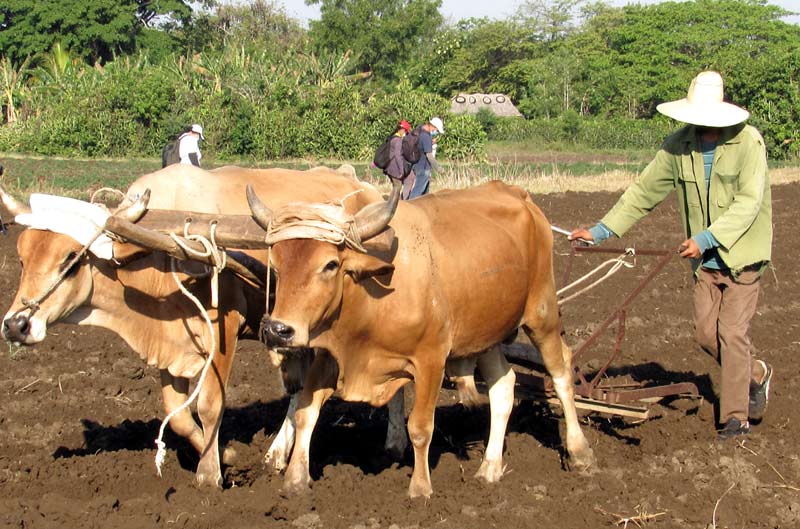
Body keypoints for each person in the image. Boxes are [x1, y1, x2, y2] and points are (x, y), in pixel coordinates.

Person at [569, 71, 773, 441]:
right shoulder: (678, 145)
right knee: (705, 335)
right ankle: (755, 373)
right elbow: (643, 193)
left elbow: (748, 203)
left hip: (742, 255)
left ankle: (735, 418)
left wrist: (707, 237)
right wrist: (600, 231)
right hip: (705, 262)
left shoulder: (748, 143)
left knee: (730, 333)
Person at [407, 117, 444, 199]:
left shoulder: (419, 131)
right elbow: (429, 155)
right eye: (436, 130)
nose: (436, 132)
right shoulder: (426, 137)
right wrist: (438, 168)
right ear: (433, 126)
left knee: (424, 194)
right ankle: (411, 207)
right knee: (417, 192)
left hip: (416, 165)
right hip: (423, 168)